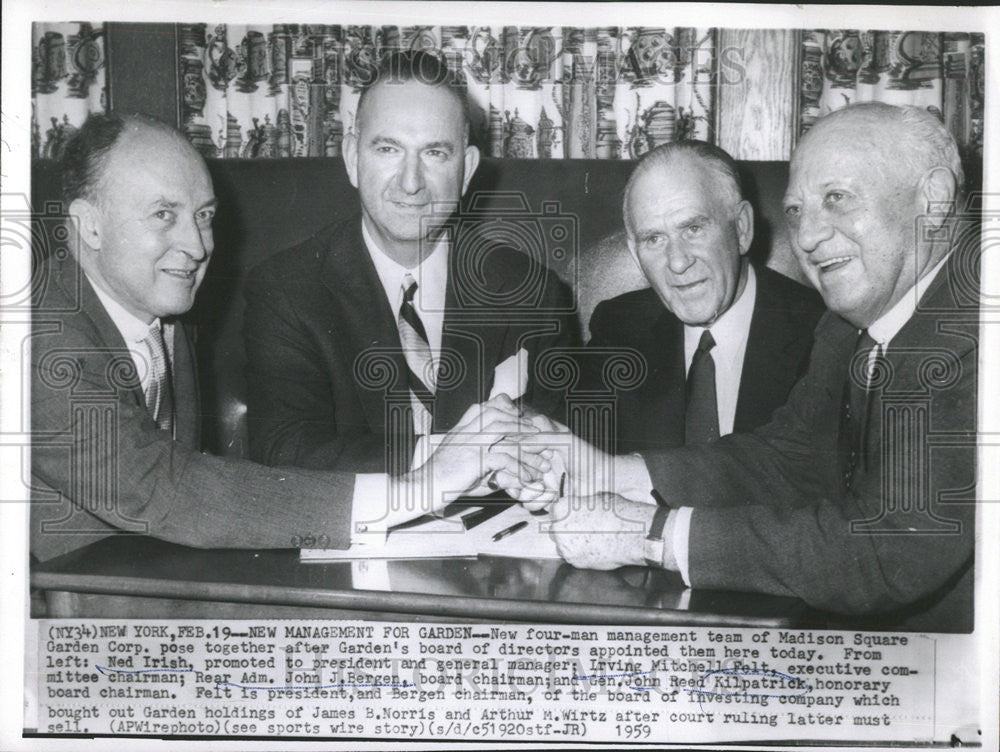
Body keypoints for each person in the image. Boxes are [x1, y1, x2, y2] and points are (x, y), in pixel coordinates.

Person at [30, 112, 549, 562]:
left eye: (204, 217)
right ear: (89, 227)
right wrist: (420, 487)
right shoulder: (36, 340)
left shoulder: (162, 311)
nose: (195, 245)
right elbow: (161, 489)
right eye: (163, 216)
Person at [537, 103, 977, 632]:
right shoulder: (849, 328)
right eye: (795, 211)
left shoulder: (975, 333)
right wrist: (613, 473)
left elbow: (886, 551)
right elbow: (789, 458)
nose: (808, 235)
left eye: (836, 199)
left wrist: (654, 534)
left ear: (933, 197)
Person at [243, 50, 578, 477]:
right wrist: (440, 461)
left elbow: (565, 442)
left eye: (435, 153)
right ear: (352, 158)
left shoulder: (533, 291)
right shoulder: (286, 289)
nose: (411, 182)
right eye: (388, 149)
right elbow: (283, 450)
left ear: (468, 170)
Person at [576, 141, 824, 453]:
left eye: (693, 229)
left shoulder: (822, 334)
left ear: (742, 229)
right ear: (635, 255)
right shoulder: (620, 328)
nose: (678, 261)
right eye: (654, 239)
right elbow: (576, 444)